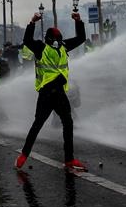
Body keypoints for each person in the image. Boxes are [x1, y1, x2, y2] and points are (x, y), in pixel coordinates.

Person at [15, 11, 87, 172]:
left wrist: (78, 21)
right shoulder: (41, 47)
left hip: (59, 93)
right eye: (54, 40)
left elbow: (81, 39)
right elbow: (27, 40)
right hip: (47, 93)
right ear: (48, 39)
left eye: (58, 40)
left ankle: (69, 159)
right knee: (38, 124)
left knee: (67, 123)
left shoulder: (63, 46)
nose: (57, 43)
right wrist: (32, 22)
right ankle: (24, 155)